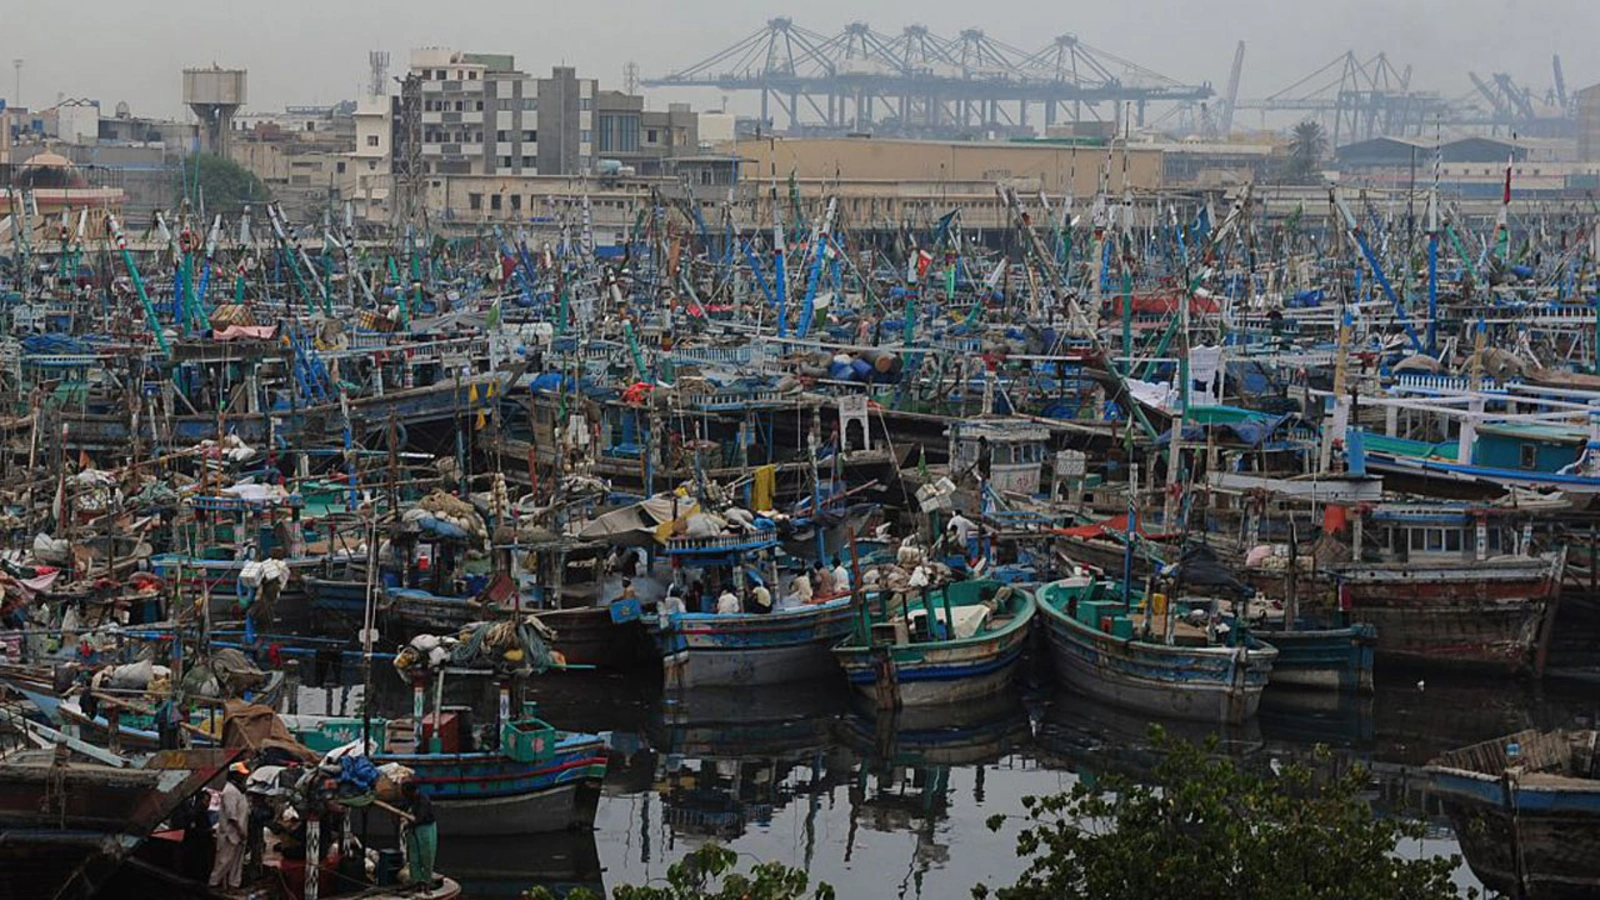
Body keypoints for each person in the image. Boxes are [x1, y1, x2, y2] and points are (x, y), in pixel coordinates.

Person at [209, 763, 250, 890]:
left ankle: (232, 885)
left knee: (236, 862)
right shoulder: (230, 791)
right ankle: (214, 884)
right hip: (230, 833)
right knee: (224, 861)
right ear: (234, 775)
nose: (243, 777)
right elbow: (231, 816)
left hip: (238, 833)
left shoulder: (238, 791)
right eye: (241, 775)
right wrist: (240, 831)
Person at [400, 780, 438, 886]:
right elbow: (401, 807)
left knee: (426, 855)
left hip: (425, 829)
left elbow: (420, 818)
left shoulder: (423, 800)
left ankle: (427, 882)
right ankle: (416, 881)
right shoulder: (409, 799)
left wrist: (409, 823)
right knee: (414, 857)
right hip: (413, 830)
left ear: (412, 791)